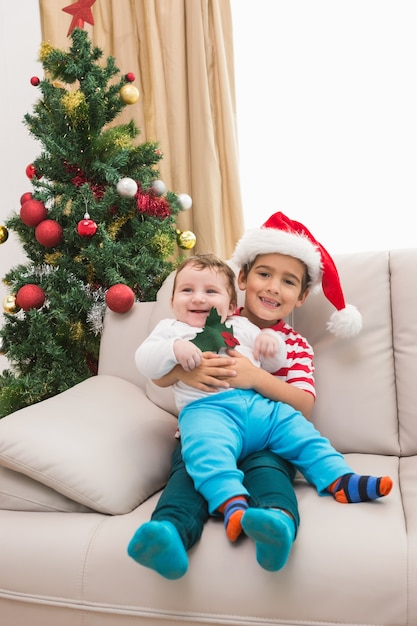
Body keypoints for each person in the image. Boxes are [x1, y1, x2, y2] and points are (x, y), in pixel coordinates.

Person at [128, 215, 393, 578]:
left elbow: (302, 403)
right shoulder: (209, 316)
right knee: (189, 476)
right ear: (242, 281)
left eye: (288, 282)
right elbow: (156, 374)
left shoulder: (290, 343)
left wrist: (256, 373)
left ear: (301, 296)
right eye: (263, 274)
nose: (272, 288)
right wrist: (183, 368)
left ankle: (278, 523)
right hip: (205, 424)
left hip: (263, 434)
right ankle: (170, 533)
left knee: (271, 472)